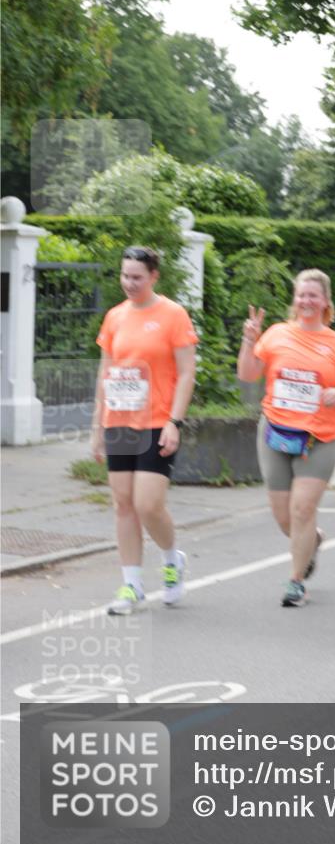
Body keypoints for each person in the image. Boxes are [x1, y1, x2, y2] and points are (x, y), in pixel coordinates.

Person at [237, 269, 335, 607]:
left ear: (325, 301)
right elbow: (247, 374)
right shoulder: (276, 334)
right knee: (284, 518)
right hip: (275, 433)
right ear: (295, 300)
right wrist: (249, 340)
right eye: (301, 295)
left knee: (303, 508)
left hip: (319, 438)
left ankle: (296, 582)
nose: (306, 301)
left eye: (313, 295)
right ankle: (313, 541)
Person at [91, 246, 198, 615]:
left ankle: (172, 559)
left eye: (137, 277)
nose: (129, 283)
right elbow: (106, 373)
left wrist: (175, 421)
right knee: (123, 503)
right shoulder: (115, 317)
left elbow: (186, 372)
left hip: (156, 422)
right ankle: (131, 585)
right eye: (125, 276)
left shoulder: (173, 315)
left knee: (148, 505)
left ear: (154, 276)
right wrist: (97, 426)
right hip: (119, 421)